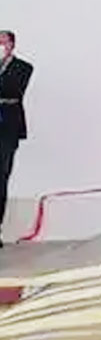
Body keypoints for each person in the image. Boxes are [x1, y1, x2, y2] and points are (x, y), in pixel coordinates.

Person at [0, 31, 33, 245]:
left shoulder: (23, 68)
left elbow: (12, 90)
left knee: (1, 176)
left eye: (3, 42)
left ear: (12, 44)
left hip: (7, 128)